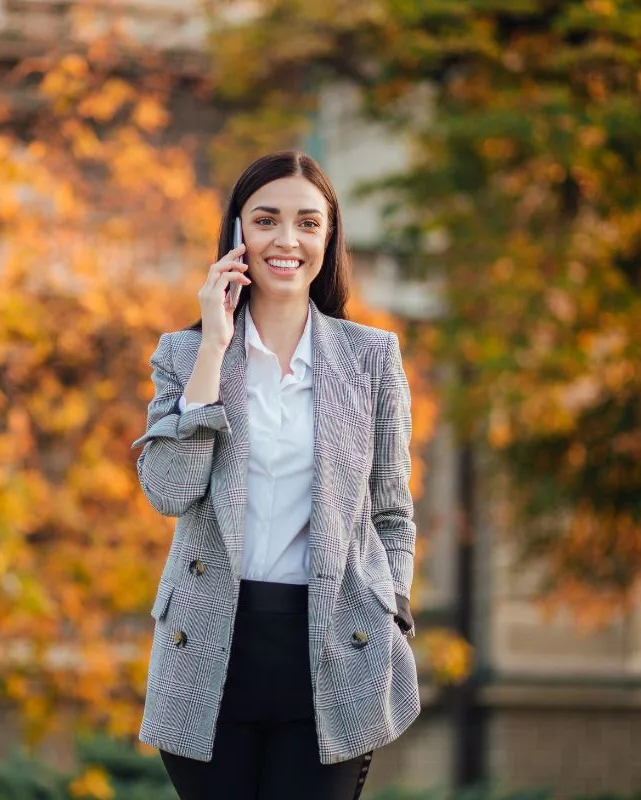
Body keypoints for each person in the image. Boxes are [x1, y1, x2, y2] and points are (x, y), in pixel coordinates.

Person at [131, 151, 420, 799]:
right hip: (211, 652)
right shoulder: (184, 354)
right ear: (237, 235)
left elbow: (391, 513)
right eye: (266, 220)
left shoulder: (372, 358)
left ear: (328, 238)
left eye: (307, 223)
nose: (286, 240)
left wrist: (391, 610)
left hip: (332, 650)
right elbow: (169, 489)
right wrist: (213, 344)